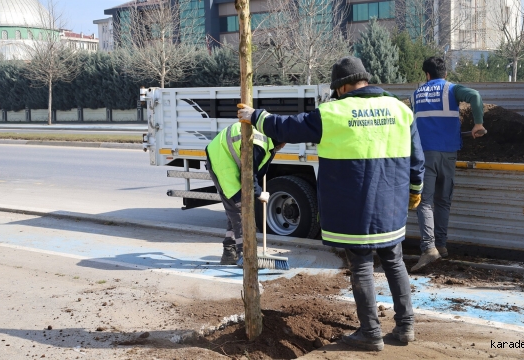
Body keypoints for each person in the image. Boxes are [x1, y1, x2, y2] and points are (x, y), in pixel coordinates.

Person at [237, 56, 425, 351]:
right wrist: (415, 191)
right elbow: (417, 159)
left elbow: (286, 127)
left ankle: (370, 334)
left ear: (340, 87)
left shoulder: (332, 112)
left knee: (361, 266)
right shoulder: (401, 110)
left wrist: (254, 115)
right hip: (391, 204)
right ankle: (406, 327)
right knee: (394, 260)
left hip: (354, 207)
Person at [411, 57, 486, 272]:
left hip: (426, 154)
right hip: (449, 153)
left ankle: (429, 248)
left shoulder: (416, 95)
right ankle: (441, 245)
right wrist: (478, 123)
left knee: (424, 202)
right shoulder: (450, 89)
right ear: (445, 73)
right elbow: (475, 95)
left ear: (426, 75)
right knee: (443, 201)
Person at [205, 122, 284, 265]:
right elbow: (249, 175)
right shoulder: (259, 144)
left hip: (226, 158)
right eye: (284, 142)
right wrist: (259, 193)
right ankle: (245, 255)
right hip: (222, 162)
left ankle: (229, 252)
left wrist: (257, 189)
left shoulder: (265, 141)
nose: (284, 146)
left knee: (233, 211)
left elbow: (255, 171)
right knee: (240, 209)